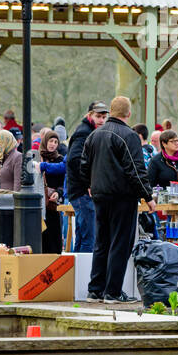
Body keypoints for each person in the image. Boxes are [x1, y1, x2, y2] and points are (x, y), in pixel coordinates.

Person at [83, 97, 154, 302]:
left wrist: (90, 184)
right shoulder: (129, 136)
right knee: (120, 244)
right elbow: (135, 169)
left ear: (111, 112)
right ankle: (113, 292)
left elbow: (84, 165)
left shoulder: (94, 135)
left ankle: (95, 289)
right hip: (122, 197)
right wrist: (148, 196)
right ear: (128, 114)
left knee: (102, 242)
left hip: (99, 195)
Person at [60, 101, 109, 255]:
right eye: (98, 116)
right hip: (82, 192)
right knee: (89, 236)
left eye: (104, 117)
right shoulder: (84, 132)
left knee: (82, 235)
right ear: (89, 115)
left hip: (80, 191)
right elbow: (74, 160)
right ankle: (85, 273)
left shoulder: (90, 131)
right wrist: (88, 182)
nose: (101, 120)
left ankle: (77, 272)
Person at [37, 131, 66, 253]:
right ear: (45, 141)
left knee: (53, 238)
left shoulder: (60, 160)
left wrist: (58, 192)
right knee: (40, 237)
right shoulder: (37, 158)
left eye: (55, 142)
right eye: (50, 141)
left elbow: (63, 182)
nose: (53, 144)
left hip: (52, 204)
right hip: (38, 204)